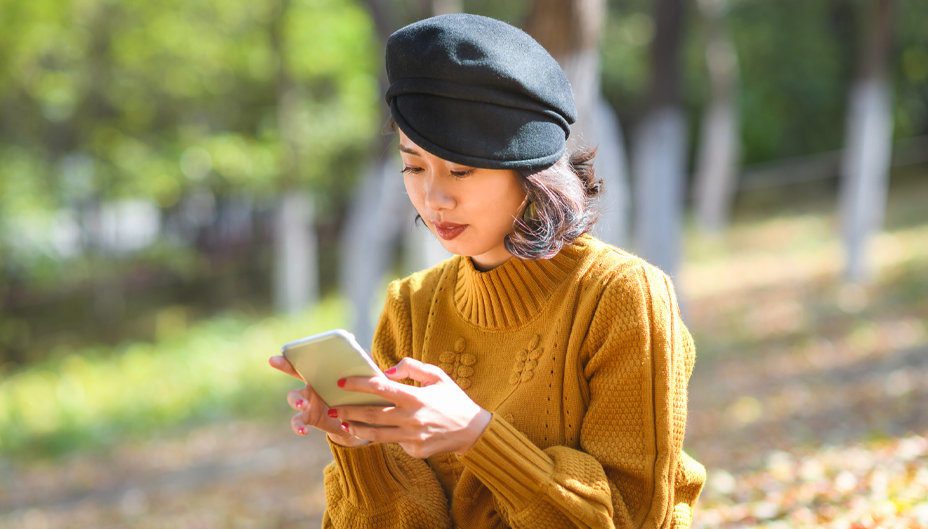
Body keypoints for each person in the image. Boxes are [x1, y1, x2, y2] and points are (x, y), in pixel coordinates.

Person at [269, 13, 705, 529]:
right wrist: (360, 447)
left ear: (531, 172)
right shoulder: (412, 307)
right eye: (413, 166)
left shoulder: (621, 296)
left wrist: (476, 434)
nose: (433, 197)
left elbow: (635, 518)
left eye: (460, 169)